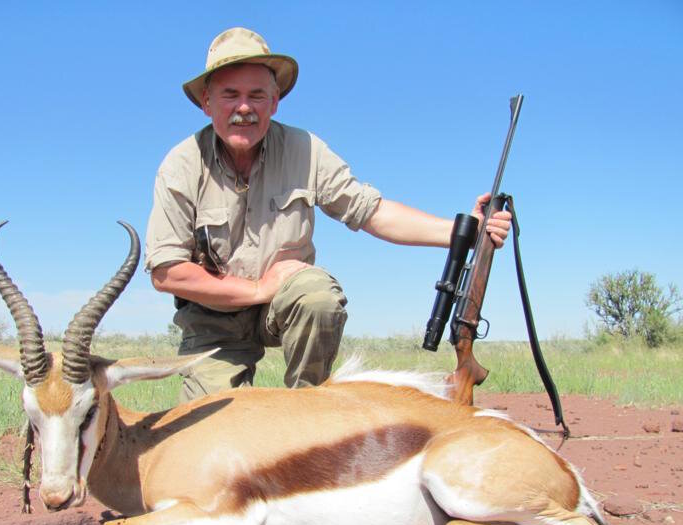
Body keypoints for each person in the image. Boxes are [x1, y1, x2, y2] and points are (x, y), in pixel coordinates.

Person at [145, 27, 512, 402]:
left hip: (286, 303)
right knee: (211, 433)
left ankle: (308, 411)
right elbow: (167, 271)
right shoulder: (181, 165)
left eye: (257, 95)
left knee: (318, 296)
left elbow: (371, 211)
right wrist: (256, 289)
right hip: (214, 317)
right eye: (230, 95)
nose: (244, 108)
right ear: (207, 102)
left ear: (275, 102)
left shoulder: (306, 149)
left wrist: (463, 232)